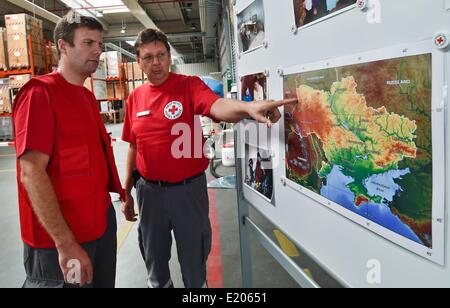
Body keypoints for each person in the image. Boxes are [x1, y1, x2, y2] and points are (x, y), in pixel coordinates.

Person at [121, 29, 296, 288]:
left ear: (170, 56)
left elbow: (217, 106)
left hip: (187, 192)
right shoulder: (135, 98)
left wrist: (247, 108)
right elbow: (134, 146)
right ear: (139, 62)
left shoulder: (189, 86)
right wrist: (127, 191)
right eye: (147, 57)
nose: (155, 63)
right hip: (149, 194)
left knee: (193, 264)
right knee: (154, 263)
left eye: (160, 55)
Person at [13, 11, 125, 288]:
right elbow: (31, 172)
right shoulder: (40, 94)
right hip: (60, 242)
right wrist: (66, 243)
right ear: (63, 46)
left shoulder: (87, 97)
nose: (97, 51)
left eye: (100, 44)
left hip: (98, 227)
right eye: (88, 43)